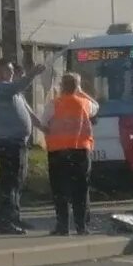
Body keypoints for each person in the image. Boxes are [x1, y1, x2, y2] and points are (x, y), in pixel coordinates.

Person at [0, 57, 46, 235]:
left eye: (12, 71)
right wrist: (33, 74)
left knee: (18, 181)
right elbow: (17, 86)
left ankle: (14, 216)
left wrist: (42, 127)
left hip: (17, 142)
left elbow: (27, 111)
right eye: (8, 70)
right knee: (10, 182)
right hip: (8, 142)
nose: (12, 73)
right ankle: (4, 221)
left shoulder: (12, 90)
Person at [42, 73, 98, 236]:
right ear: (78, 86)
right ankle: (81, 226)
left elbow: (43, 122)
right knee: (81, 190)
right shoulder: (85, 103)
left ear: (61, 86)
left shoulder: (54, 104)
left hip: (58, 152)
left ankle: (62, 226)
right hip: (81, 151)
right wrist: (81, 92)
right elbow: (97, 106)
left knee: (60, 190)